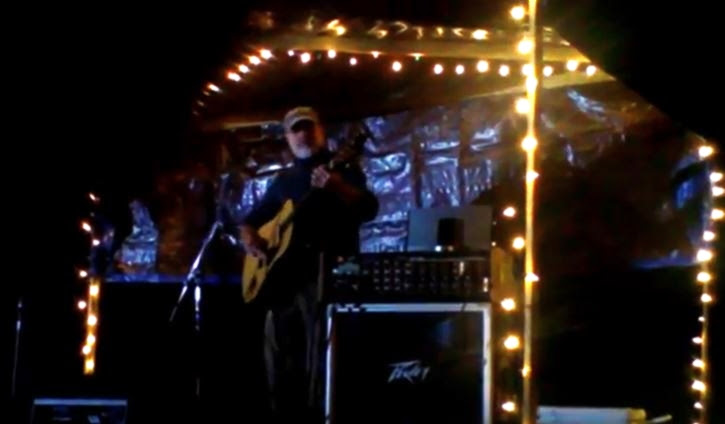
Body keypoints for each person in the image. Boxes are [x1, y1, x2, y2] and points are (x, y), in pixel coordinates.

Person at [239, 106, 378, 422]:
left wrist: (337, 187)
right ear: (287, 138)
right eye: (295, 129)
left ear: (321, 131)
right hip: (281, 283)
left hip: (325, 276)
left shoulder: (343, 168)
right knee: (279, 357)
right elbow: (251, 221)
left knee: (319, 360)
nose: (302, 134)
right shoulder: (284, 180)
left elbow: (369, 208)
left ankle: (319, 415)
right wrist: (250, 238)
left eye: (308, 127)